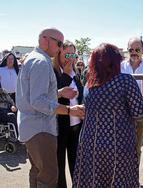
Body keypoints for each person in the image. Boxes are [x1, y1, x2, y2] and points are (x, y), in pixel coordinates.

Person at [72, 43, 143, 187]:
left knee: (92, 182)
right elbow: (140, 115)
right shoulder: (125, 81)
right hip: (117, 145)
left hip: (90, 143)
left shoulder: (89, 84)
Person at [16, 28, 85, 188]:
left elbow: (40, 95)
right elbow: (38, 101)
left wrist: (60, 92)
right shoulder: (42, 63)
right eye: (60, 44)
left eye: (73, 55)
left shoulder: (38, 60)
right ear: (45, 40)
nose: (61, 49)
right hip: (44, 129)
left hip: (52, 129)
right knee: (50, 176)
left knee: (39, 173)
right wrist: (69, 110)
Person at [52, 40, 84, 188]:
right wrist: (65, 74)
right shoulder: (54, 72)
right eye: (66, 54)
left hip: (76, 126)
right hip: (59, 126)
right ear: (59, 54)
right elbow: (52, 96)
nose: (70, 58)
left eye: (73, 54)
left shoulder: (75, 73)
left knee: (76, 164)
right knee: (59, 165)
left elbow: (81, 94)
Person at [121, 37, 143, 163]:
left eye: (137, 49)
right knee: (120, 148)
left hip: (140, 116)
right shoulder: (119, 68)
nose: (134, 52)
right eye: (131, 50)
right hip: (121, 114)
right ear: (127, 50)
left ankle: (133, 179)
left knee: (136, 149)